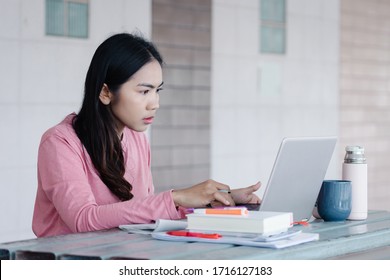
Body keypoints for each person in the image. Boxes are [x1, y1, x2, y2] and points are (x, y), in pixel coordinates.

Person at [32, 33, 260, 237]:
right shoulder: (59, 143)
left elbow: (140, 214)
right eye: (144, 91)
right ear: (105, 92)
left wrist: (218, 200)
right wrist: (174, 198)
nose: (155, 104)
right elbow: (83, 220)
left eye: (157, 90)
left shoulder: (136, 139)